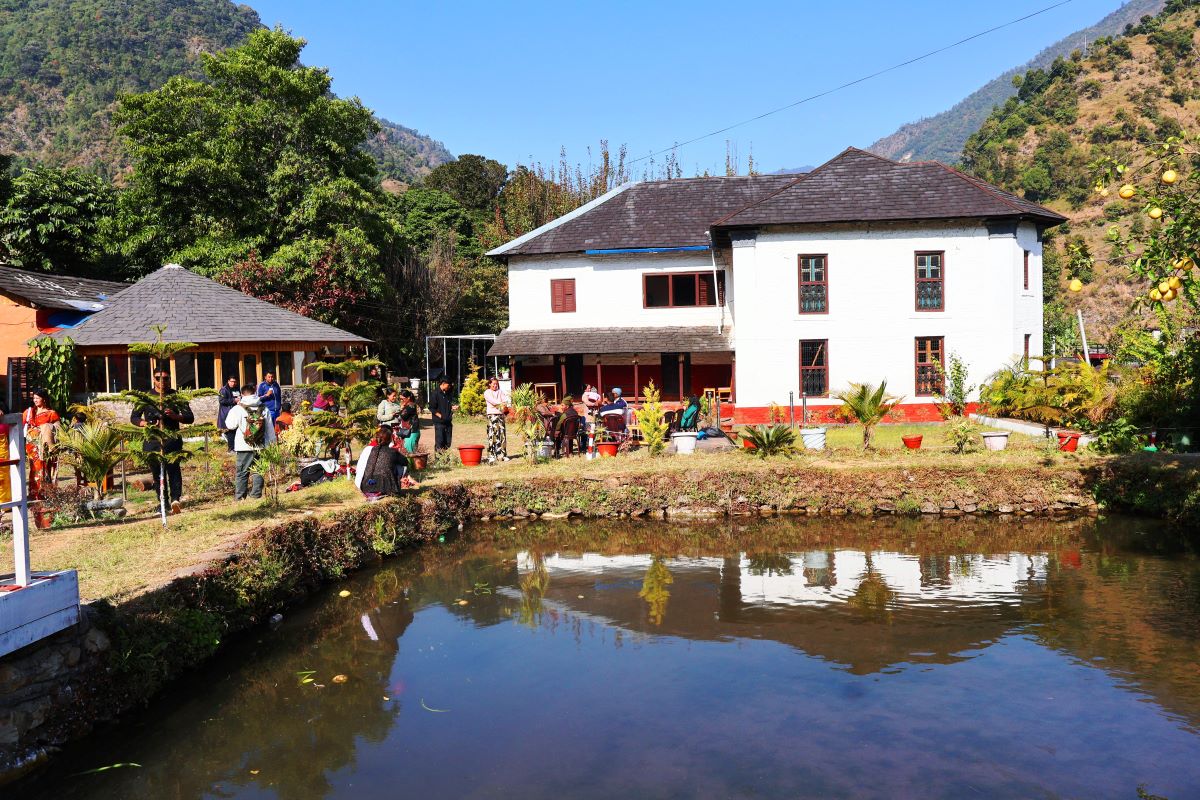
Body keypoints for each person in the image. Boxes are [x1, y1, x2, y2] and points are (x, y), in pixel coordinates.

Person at [131, 369, 195, 514]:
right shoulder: (146, 397)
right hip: (152, 441)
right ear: (153, 379)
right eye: (158, 378)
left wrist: (174, 416)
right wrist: (146, 424)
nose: (162, 381)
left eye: (166, 378)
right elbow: (134, 417)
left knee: (174, 470)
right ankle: (163, 502)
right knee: (157, 473)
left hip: (172, 440)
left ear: (169, 379)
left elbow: (189, 417)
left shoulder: (176, 396)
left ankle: (175, 500)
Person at [224, 385, 276, 501]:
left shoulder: (238, 409)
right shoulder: (264, 408)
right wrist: (272, 444)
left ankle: (240, 497)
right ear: (255, 392)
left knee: (242, 472)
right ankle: (256, 495)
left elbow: (230, 425)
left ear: (242, 394)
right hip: (261, 445)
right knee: (259, 470)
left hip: (243, 446)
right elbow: (270, 429)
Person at [23, 388, 60, 500]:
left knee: (44, 466)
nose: (35, 400)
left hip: (44, 445)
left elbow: (58, 429)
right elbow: (20, 424)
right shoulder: (29, 412)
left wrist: (46, 428)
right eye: (34, 398)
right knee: (33, 467)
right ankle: (34, 493)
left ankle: (44, 493)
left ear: (44, 399)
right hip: (31, 445)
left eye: (37, 398)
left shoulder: (51, 413)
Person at [354, 425, 402, 499]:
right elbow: (403, 462)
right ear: (389, 438)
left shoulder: (368, 448)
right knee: (399, 464)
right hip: (383, 485)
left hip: (363, 484)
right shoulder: (389, 450)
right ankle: (394, 486)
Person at [483, 376, 510, 464]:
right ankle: (491, 455)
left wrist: (503, 404)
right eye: (493, 384)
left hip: (501, 415)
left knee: (502, 435)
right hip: (492, 415)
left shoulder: (500, 391)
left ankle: (503, 455)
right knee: (492, 435)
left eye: (496, 384)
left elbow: (505, 401)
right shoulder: (487, 392)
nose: (495, 385)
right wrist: (501, 403)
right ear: (489, 384)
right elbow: (494, 402)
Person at [429, 375, 454, 452]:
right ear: (443, 383)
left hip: (448, 422)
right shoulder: (435, 393)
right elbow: (431, 408)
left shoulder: (448, 393)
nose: (449, 387)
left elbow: (448, 405)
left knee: (448, 442)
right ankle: (439, 458)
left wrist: (453, 407)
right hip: (439, 422)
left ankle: (446, 457)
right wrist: (440, 416)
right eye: (448, 385)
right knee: (440, 442)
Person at [217, 375, 239, 451]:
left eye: (235, 382)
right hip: (227, 412)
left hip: (235, 412)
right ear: (228, 381)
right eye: (232, 381)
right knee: (231, 430)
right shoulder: (223, 390)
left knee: (234, 430)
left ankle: (233, 444)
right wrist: (233, 400)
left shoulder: (236, 389)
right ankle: (231, 449)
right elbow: (221, 400)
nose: (233, 383)